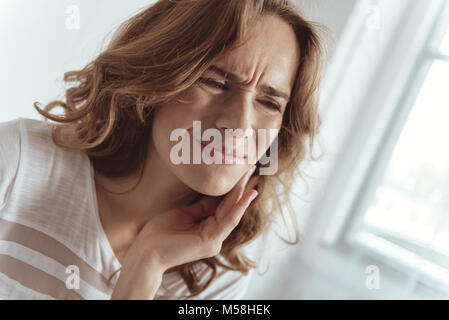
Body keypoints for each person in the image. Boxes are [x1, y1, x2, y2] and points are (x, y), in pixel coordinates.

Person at [0, 0, 327, 299]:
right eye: (214, 82)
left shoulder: (217, 281)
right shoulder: (16, 162)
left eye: (269, 103)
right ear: (156, 74)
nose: (239, 125)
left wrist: (146, 265)